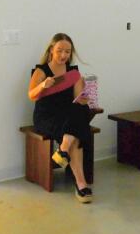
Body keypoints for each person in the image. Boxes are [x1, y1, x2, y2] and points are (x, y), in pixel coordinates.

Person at [27, 33, 96, 202]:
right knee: (77, 130)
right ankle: (81, 184)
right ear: (51, 50)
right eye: (60, 51)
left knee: (81, 110)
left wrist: (85, 97)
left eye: (67, 51)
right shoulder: (41, 70)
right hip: (46, 117)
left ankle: (63, 150)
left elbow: (78, 99)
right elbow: (31, 95)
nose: (63, 55)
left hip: (67, 116)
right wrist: (43, 85)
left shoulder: (73, 73)